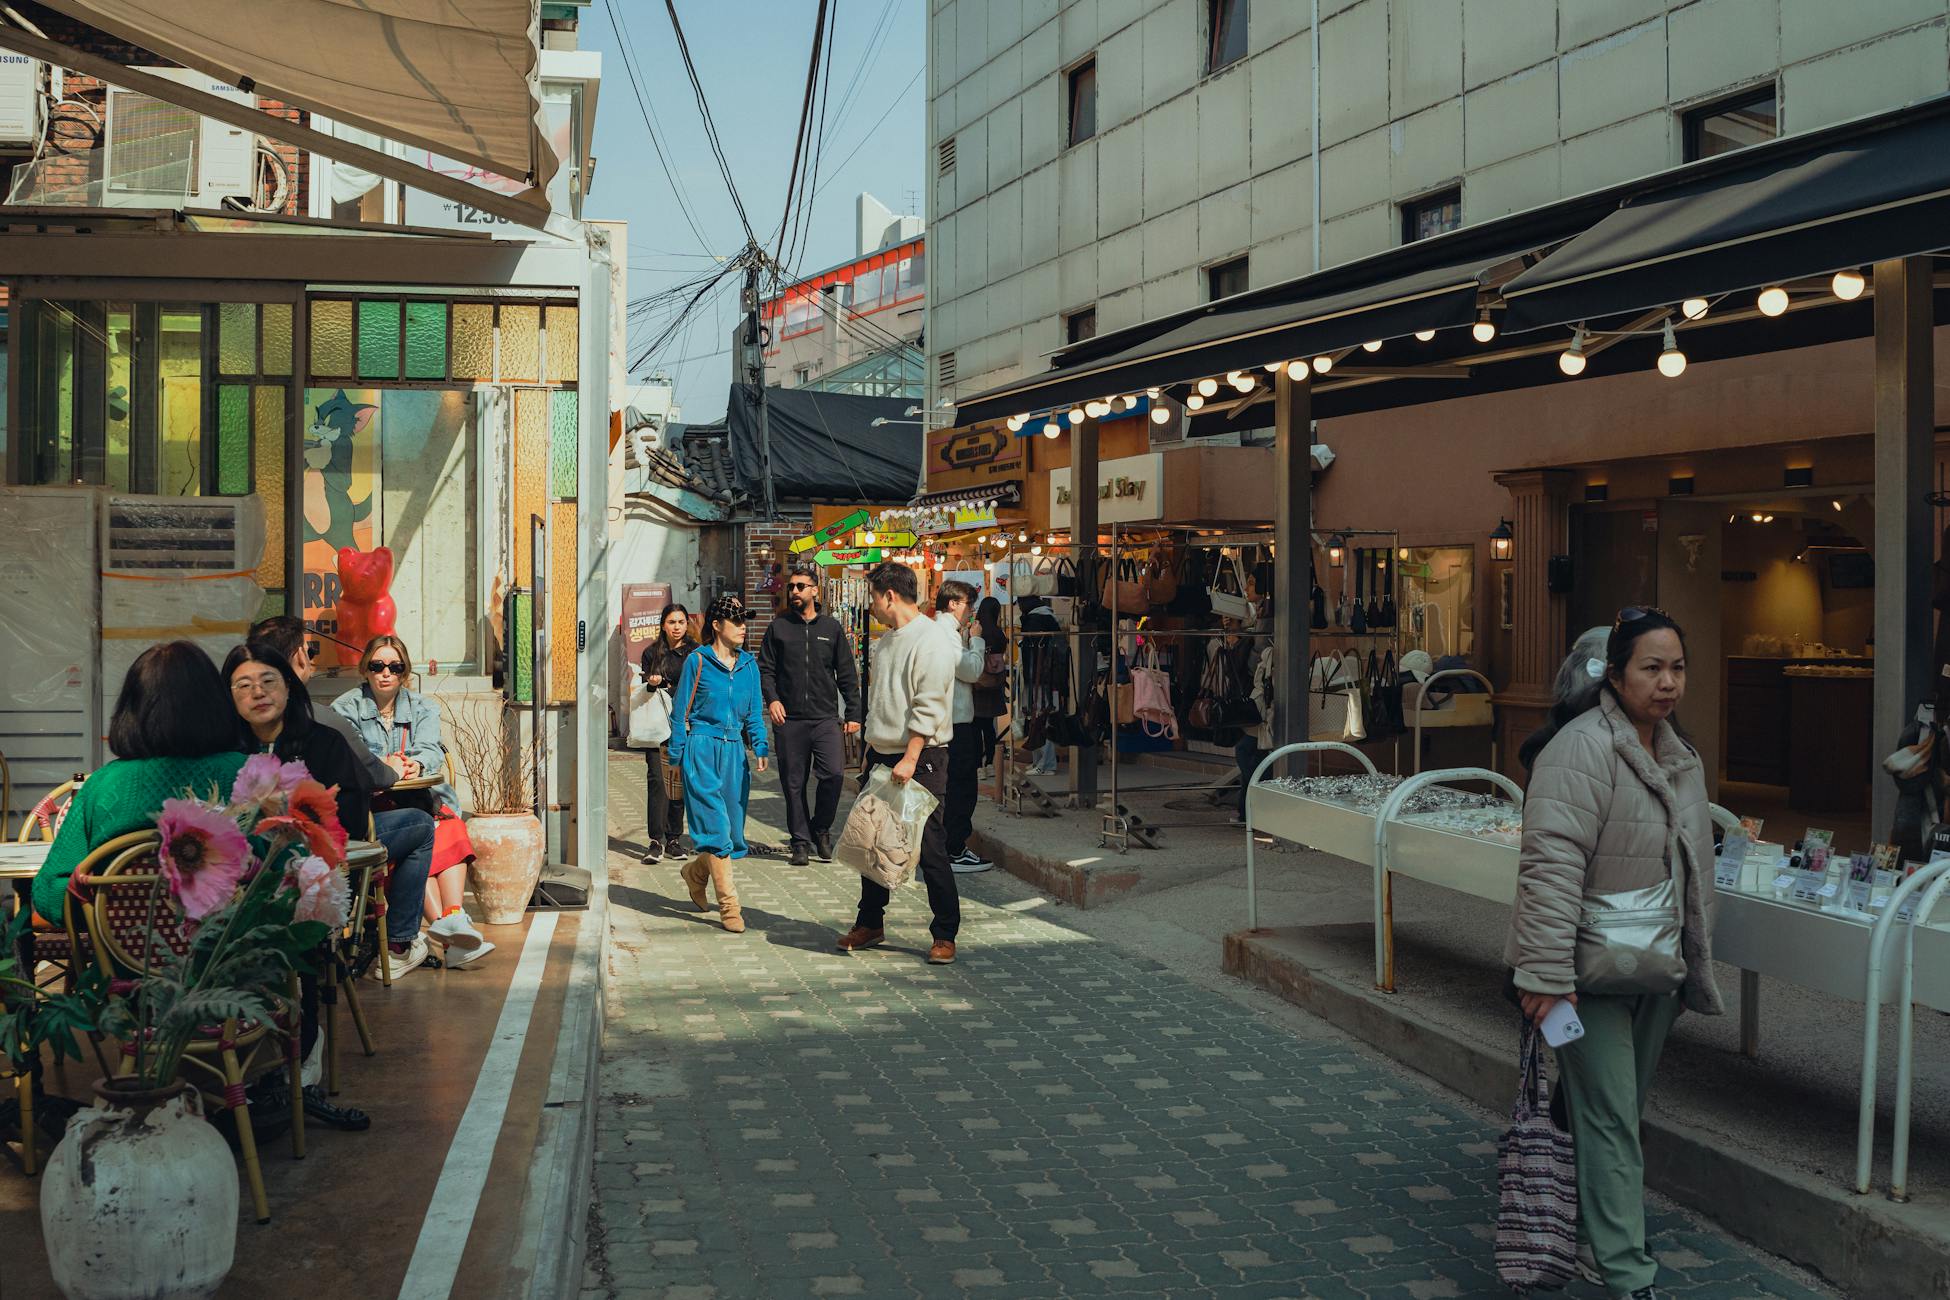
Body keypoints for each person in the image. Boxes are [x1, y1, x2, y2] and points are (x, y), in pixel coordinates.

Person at [1505, 609, 1722, 1300]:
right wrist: (1543, 976)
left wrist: (1695, 960)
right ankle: (1628, 1272)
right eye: (1651, 668)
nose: (1666, 683)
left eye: (1677, 668)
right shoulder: (1581, 748)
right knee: (1607, 1118)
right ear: (1617, 673)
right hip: (1584, 978)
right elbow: (1550, 865)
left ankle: (1600, 1231)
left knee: (1617, 1113)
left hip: (1656, 972)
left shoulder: (1679, 755)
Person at [248, 617, 439, 978]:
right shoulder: (325, 718)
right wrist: (395, 767)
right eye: (309, 651)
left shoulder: (240, 720)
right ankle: (398, 940)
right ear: (300, 660)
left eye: (395, 667)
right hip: (325, 846)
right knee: (421, 825)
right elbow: (373, 774)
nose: (386, 674)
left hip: (257, 848)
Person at [33, 642, 248, 924]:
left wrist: (100, 896)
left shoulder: (101, 786)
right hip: (230, 963)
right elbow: (285, 877)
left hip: (120, 966)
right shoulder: (246, 775)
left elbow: (49, 893)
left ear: (130, 710)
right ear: (216, 705)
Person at [333, 635, 492, 971]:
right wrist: (385, 763)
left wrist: (414, 763)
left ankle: (450, 922)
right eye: (377, 665)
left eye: (395, 666)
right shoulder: (345, 708)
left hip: (419, 797)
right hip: (373, 806)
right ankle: (450, 935)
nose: (385, 673)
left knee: (447, 825)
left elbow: (431, 749)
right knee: (422, 833)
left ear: (404, 671)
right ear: (366, 669)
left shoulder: (422, 707)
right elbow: (353, 756)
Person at [837, 561, 962, 963]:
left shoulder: (932, 640)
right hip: (883, 753)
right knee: (872, 840)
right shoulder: (888, 640)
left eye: (873, 597)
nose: (871, 605)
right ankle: (870, 921)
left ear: (889, 595)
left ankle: (945, 932)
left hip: (922, 757)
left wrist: (910, 756)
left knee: (929, 847)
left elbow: (929, 704)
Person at [667, 595, 770, 933]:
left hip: (734, 755)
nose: (743, 627)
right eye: (736, 620)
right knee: (717, 831)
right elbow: (680, 710)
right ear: (716, 625)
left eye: (745, 620)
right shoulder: (697, 661)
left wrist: (759, 745)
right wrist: (676, 755)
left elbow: (755, 712)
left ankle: (695, 873)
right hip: (701, 749)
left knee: (732, 835)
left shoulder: (749, 666)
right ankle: (730, 908)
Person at [758, 565, 861, 866]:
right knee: (793, 783)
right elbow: (765, 669)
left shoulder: (831, 629)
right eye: (791, 587)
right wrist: (773, 700)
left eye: (801, 587)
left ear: (815, 590)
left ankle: (821, 829)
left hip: (825, 718)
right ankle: (800, 842)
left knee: (834, 775)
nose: (794, 592)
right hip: (789, 720)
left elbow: (846, 674)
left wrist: (853, 711)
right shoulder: (779, 628)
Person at [934, 580, 993, 875]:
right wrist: (978, 640)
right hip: (955, 722)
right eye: (969, 604)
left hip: (946, 721)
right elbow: (969, 670)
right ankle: (954, 849)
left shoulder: (941, 631)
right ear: (954, 603)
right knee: (961, 787)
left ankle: (947, 847)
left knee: (950, 787)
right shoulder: (947, 634)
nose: (972, 612)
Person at [639, 605, 697, 862]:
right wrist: (653, 684)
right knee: (657, 781)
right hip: (658, 725)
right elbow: (645, 693)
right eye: (672, 622)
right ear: (663, 624)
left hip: (686, 724)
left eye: (681, 622)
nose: (677, 627)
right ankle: (655, 840)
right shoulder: (652, 653)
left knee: (679, 780)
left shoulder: (695, 653)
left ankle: (674, 838)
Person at [971, 597, 1009, 795]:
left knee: (977, 728)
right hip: (995, 686)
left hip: (979, 685)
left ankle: (979, 766)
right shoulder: (999, 634)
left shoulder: (978, 631)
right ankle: (992, 763)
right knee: (990, 727)